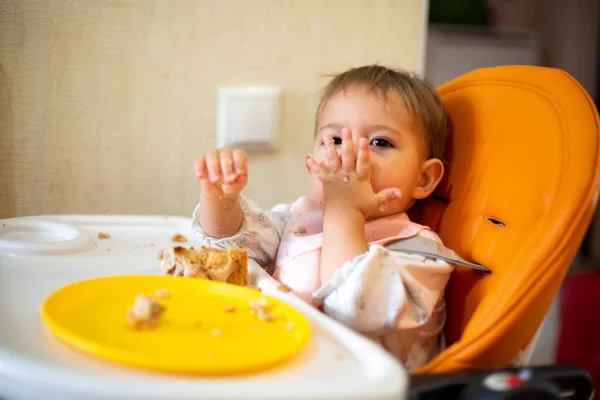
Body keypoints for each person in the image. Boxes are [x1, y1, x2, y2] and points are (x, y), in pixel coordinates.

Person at [192, 65, 455, 370]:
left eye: (379, 142)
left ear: (423, 178)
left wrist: (345, 210)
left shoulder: (419, 253)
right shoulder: (300, 218)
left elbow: (355, 309)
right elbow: (230, 249)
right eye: (335, 140)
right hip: (276, 362)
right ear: (313, 165)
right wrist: (220, 197)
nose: (350, 156)